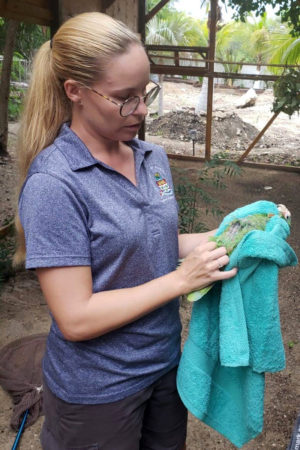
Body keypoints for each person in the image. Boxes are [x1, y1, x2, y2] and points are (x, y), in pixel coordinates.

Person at [15, 12, 237, 450]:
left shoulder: (151, 157)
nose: (141, 110)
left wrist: (234, 231)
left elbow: (148, 245)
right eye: (124, 98)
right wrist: (181, 280)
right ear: (75, 92)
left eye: (145, 92)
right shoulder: (55, 184)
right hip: (97, 390)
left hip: (165, 366)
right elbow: (76, 317)